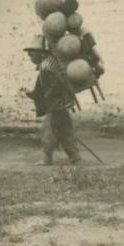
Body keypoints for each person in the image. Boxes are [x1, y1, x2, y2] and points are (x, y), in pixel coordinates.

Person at [23, 35, 81, 165]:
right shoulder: (50, 62)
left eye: (31, 54)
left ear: (39, 54)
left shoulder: (46, 66)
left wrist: (47, 97)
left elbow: (54, 85)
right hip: (62, 103)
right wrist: (34, 94)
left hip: (55, 105)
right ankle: (74, 156)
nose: (30, 58)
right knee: (66, 130)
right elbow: (50, 85)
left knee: (48, 130)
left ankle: (46, 158)